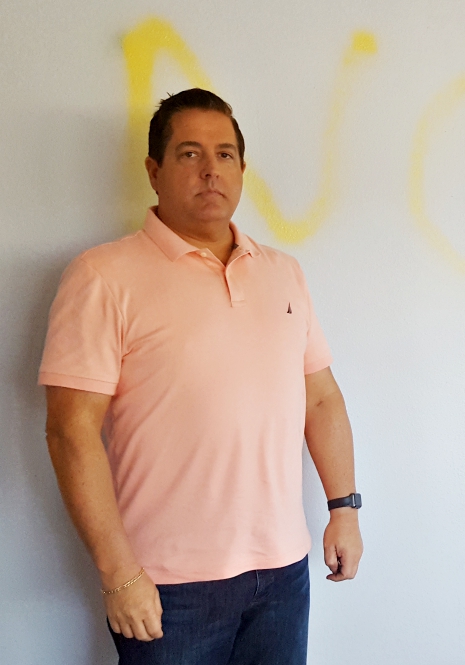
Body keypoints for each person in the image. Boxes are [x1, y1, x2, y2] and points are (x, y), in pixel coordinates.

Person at [39, 88, 362, 664]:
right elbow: (70, 432)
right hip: (167, 586)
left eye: (225, 154)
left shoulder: (283, 274)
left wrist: (345, 509)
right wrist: (118, 574)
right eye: (189, 154)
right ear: (154, 171)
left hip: (282, 575)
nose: (211, 171)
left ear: (242, 169)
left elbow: (321, 399)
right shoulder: (102, 276)